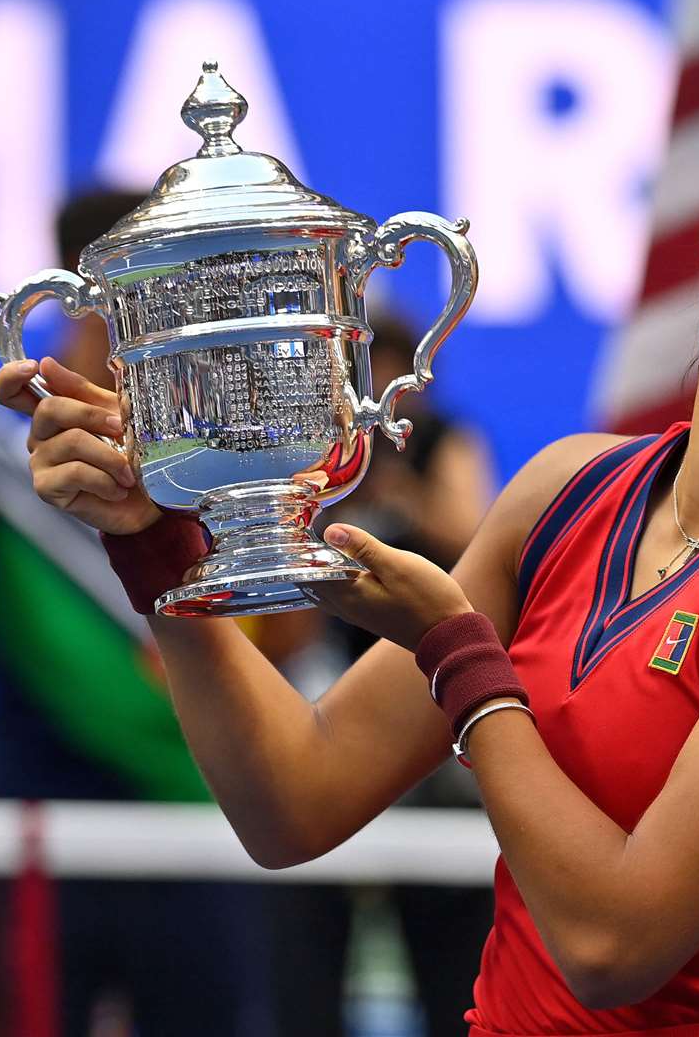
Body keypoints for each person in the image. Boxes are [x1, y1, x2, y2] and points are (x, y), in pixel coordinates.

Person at [0, 67, 699, 1033]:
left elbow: (615, 944)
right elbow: (293, 802)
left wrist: (461, 660)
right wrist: (159, 550)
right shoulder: (568, 489)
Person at [0, 189, 279, 1037]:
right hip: (46, 817)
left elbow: (279, 630)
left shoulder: (208, 432)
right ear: (80, 288)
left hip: (198, 806)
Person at [268, 311, 500, 1037]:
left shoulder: (442, 442)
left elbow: (473, 538)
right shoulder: (306, 462)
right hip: (330, 711)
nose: (382, 395)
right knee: (306, 971)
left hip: (431, 733)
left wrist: (406, 502)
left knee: (450, 971)